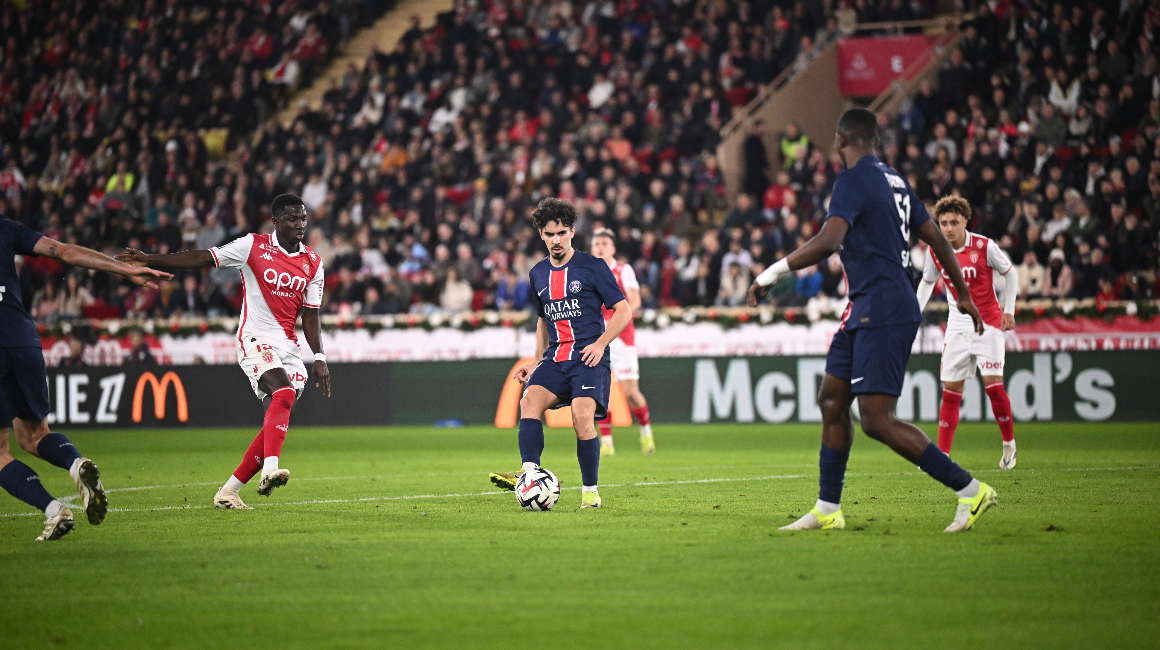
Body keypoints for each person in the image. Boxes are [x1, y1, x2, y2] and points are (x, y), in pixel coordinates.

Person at [746, 108, 997, 533]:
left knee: (877, 420)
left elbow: (830, 240)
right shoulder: (895, 180)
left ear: (841, 140)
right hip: (865, 305)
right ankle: (828, 508)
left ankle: (970, 490)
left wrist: (771, 273)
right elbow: (936, 238)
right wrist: (964, 294)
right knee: (832, 399)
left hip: (883, 305)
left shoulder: (853, 178)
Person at [116, 195, 331, 509]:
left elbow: (311, 315)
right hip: (254, 338)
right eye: (292, 219)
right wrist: (150, 259)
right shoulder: (252, 246)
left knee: (275, 423)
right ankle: (270, 471)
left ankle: (228, 492)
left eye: (303, 219)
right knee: (283, 393)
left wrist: (320, 357)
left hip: (289, 348)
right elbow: (202, 257)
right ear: (275, 222)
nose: (300, 225)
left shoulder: (313, 262)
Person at [0, 215, 169, 540]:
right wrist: (123, 269)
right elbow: (63, 250)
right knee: (34, 436)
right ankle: (76, 464)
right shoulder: (5, 228)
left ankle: (55, 511)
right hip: (23, 338)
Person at [487, 199, 631, 508]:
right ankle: (528, 474)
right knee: (528, 401)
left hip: (588, 357)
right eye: (550, 234)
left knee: (581, 416)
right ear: (541, 234)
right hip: (556, 357)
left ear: (572, 232)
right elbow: (543, 321)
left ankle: (590, 491)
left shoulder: (593, 267)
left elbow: (624, 311)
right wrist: (536, 362)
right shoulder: (538, 273)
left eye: (562, 233)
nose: (556, 240)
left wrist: (601, 343)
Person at [916, 196, 1019, 469]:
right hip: (957, 326)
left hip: (988, 324)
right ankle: (942, 456)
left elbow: (1010, 273)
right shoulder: (935, 250)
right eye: (943, 223)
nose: (948, 228)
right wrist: (914, 313)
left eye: (953, 222)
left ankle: (1009, 444)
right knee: (951, 390)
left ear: (965, 221)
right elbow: (927, 283)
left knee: (993, 387)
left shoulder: (984, 246)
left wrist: (1009, 310)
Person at [589, 228, 655, 457]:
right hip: (596, 338)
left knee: (630, 392)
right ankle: (607, 443)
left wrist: (617, 318)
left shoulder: (623, 270)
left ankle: (645, 431)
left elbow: (634, 301)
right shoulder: (586, 272)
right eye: (596, 244)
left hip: (621, 337)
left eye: (604, 243)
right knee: (599, 391)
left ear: (613, 248)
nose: (600, 247)